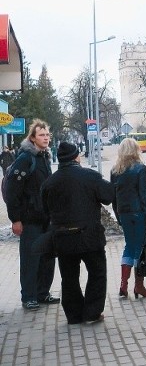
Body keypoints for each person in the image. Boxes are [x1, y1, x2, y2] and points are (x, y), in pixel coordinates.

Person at [41, 142, 115, 324]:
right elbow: (109, 196)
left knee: (69, 277)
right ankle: (92, 313)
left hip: (62, 238)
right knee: (97, 273)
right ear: (76, 157)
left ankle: (74, 315)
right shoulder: (90, 176)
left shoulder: (49, 182)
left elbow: (45, 210)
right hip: (89, 236)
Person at [4, 119, 58, 310]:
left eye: (47, 135)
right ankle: (28, 296)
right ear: (33, 138)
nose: (46, 138)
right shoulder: (25, 159)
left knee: (47, 258)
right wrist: (16, 219)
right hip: (30, 219)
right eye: (41, 135)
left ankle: (43, 293)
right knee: (31, 259)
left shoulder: (45, 157)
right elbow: (12, 191)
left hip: (46, 218)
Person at [110, 137, 146, 299]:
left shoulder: (115, 170)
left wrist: (118, 216)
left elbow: (114, 197)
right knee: (140, 248)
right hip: (139, 214)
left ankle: (123, 285)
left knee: (129, 246)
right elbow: (144, 195)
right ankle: (139, 286)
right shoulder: (140, 169)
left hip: (124, 214)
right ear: (135, 150)